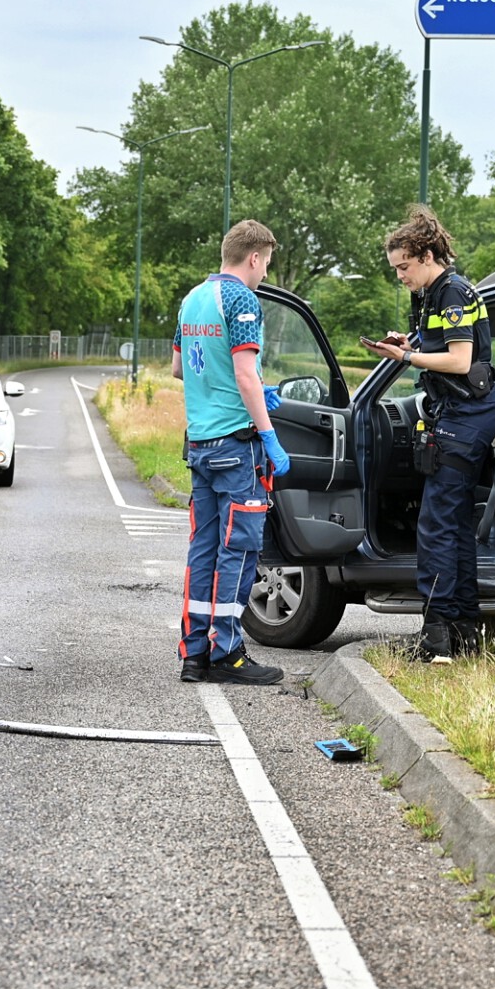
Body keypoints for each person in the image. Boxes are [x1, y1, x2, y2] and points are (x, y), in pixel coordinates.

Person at [366, 206, 495, 663]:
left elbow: (460, 361)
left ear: (426, 255)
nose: (400, 276)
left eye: (403, 266)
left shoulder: (452, 292)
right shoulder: (433, 294)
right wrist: (410, 346)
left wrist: (405, 360)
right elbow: (439, 347)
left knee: (437, 525)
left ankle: (437, 637)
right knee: (455, 524)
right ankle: (464, 629)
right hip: (463, 413)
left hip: (466, 416)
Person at [172, 219, 291, 685]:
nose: (264, 273)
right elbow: (243, 374)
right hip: (236, 446)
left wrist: (258, 387)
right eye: (266, 264)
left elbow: (181, 369)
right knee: (239, 549)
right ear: (255, 257)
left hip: (200, 443)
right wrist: (269, 434)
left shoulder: (193, 298)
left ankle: (194, 654)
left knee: (203, 548)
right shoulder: (242, 298)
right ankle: (228, 653)